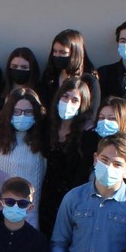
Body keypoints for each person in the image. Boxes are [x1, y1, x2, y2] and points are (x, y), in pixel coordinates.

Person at [41, 78, 97, 237]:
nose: (68, 103)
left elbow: (84, 171)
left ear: (82, 105)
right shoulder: (47, 126)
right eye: (65, 97)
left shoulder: (87, 134)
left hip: (71, 199)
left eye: (75, 100)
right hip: (45, 196)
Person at [0, 88, 48, 228]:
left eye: (28, 112)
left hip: (29, 214)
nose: (22, 116)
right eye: (17, 112)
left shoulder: (44, 138)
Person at [39, 29, 99, 120]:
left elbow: (91, 115)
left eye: (63, 52)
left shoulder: (89, 81)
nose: (57, 55)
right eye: (55, 51)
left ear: (75, 53)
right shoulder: (50, 76)